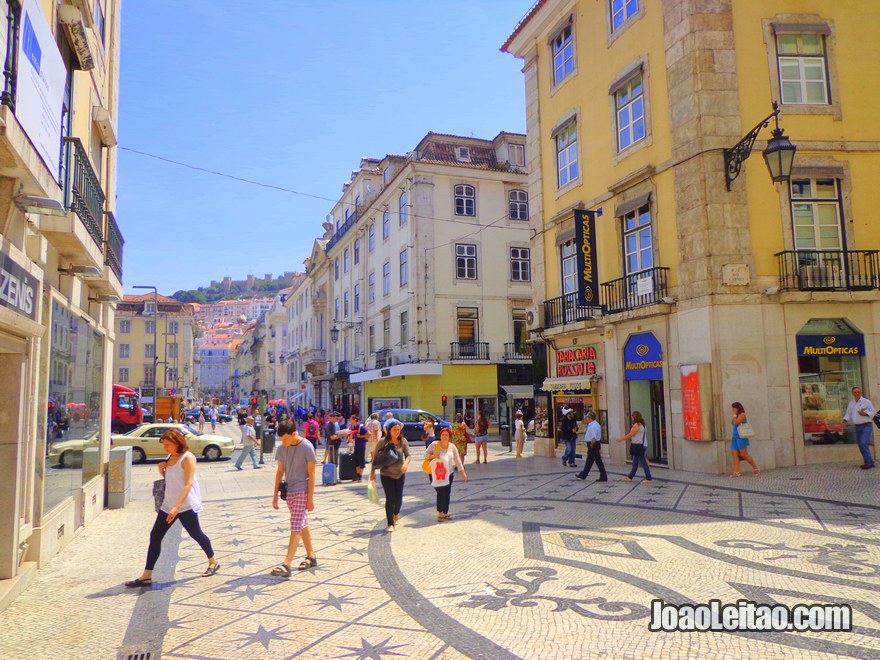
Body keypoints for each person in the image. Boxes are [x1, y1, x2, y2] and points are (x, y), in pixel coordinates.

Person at [125, 429, 218, 587]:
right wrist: (163, 468)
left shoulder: (188, 458)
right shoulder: (170, 457)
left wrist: (177, 507)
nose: (165, 448)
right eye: (164, 445)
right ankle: (146, 575)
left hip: (185, 506)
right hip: (168, 505)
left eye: (168, 445)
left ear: (177, 443)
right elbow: (174, 480)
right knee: (155, 536)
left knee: (196, 534)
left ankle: (213, 562)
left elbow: (187, 485)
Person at [271, 419, 317, 577]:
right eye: (282, 439)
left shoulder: (307, 447)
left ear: (294, 434)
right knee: (302, 523)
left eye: (286, 438)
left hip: (302, 490)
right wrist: (275, 495)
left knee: (296, 525)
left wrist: (310, 498)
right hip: (289, 491)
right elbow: (279, 471)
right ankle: (311, 556)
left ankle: (287, 564)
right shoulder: (282, 448)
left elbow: (312, 475)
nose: (284, 442)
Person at [369, 421, 411, 532]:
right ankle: (390, 523)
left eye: (398, 430)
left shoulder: (403, 441)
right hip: (386, 474)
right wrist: (372, 473)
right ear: (389, 431)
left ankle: (396, 513)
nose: (397, 432)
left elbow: (408, 456)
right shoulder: (383, 442)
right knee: (390, 498)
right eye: (394, 430)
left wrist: (405, 465)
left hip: (400, 474)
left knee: (399, 499)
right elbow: (375, 459)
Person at [426, 427, 468, 521]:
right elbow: (425, 455)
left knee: (447, 492)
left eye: (446, 435)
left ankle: (445, 513)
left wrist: (462, 472)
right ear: (440, 436)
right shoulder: (434, 444)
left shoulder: (452, 446)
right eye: (443, 435)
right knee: (440, 492)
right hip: (436, 474)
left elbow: (457, 460)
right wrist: (433, 456)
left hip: (449, 473)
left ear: (449, 437)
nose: (444, 437)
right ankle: (440, 513)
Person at [843, 387, 876, 469]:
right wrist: (844, 420)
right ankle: (870, 462)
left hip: (866, 425)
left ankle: (868, 463)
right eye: (855, 392)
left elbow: (873, 411)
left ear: (861, 392)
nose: (857, 393)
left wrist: (865, 413)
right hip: (857, 426)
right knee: (861, 445)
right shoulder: (851, 403)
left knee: (863, 443)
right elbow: (848, 414)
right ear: (852, 394)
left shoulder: (866, 402)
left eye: (858, 392)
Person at [615, 411, 652, 483]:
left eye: (632, 417)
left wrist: (621, 439)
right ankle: (630, 476)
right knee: (635, 463)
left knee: (643, 463)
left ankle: (649, 478)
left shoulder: (637, 425)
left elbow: (631, 434)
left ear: (635, 417)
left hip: (637, 446)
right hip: (640, 445)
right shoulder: (643, 425)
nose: (632, 418)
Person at [730, 402, 760, 477]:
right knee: (734, 454)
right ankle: (736, 472)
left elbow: (736, 422)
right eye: (732, 408)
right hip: (735, 437)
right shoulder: (736, 415)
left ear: (738, 408)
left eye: (734, 408)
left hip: (741, 437)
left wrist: (734, 415)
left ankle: (756, 468)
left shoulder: (742, 415)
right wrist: (734, 415)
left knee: (744, 454)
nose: (732, 410)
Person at [576, 411, 607, 481]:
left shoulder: (594, 426)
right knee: (589, 461)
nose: (586, 419)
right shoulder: (593, 425)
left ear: (590, 418)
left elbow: (594, 438)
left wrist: (591, 445)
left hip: (593, 444)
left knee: (598, 461)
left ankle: (603, 476)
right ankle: (583, 474)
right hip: (592, 444)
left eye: (587, 417)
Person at [347, 414, 369, 480]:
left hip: (361, 446)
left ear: (355, 419)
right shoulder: (353, 426)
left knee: (361, 461)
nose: (350, 421)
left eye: (351, 419)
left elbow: (369, 433)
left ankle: (360, 476)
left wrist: (361, 436)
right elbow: (352, 434)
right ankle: (357, 475)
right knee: (356, 461)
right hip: (356, 446)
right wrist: (349, 440)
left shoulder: (361, 427)